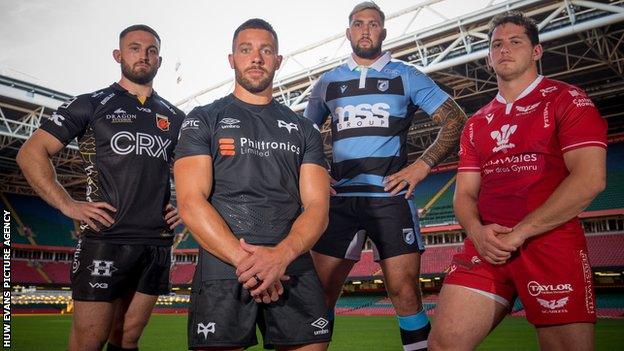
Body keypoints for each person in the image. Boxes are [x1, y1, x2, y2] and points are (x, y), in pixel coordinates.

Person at [428, 11, 606, 351]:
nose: (504, 49)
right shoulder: (476, 123)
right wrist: (478, 233)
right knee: (443, 345)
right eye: (497, 44)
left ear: (536, 51)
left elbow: (590, 179)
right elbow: (464, 195)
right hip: (486, 245)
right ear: (489, 57)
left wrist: (521, 232)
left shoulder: (566, 99)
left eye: (515, 42)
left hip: (549, 241)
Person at [303, 2, 467, 350]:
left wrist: (422, 166)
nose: (365, 30)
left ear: (383, 32)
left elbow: (455, 119)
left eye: (373, 24)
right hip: (339, 202)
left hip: (390, 199)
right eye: (358, 24)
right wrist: (316, 172)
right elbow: (303, 135)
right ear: (348, 32)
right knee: (319, 294)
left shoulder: (406, 75)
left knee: (405, 291)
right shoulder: (327, 83)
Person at [16, 25, 184, 351]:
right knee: (88, 342)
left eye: (151, 50)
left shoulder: (175, 117)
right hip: (105, 239)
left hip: (156, 242)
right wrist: (68, 205)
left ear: (159, 60)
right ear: (118, 55)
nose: (143, 55)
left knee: (128, 338)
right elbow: (30, 153)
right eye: (134, 48)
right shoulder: (90, 104)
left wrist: (185, 205)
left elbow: (196, 171)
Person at [174, 18, 331, 350]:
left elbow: (318, 207)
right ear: (232, 59)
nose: (256, 58)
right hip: (223, 265)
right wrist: (249, 263)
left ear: (278, 61)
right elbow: (190, 201)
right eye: (246, 50)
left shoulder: (304, 129)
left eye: (266, 50)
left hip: (292, 263)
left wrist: (279, 257)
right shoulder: (203, 119)